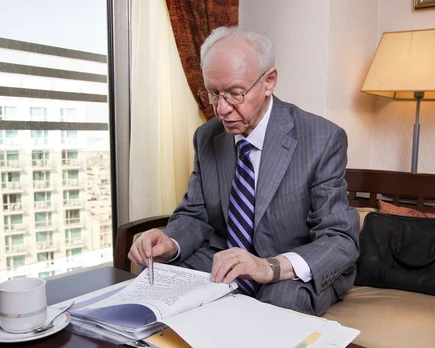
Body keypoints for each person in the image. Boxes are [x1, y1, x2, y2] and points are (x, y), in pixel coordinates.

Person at [128, 26, 360, 316]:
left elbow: (340, 237)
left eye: (235, 94)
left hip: (288, 263)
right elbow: (194, 214)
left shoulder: (321, 138)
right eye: (213, 93)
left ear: (269, 81)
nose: (222, 109)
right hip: (225, 259)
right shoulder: (206, 137)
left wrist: (268, 267)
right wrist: (169, 242)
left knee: (281, 298)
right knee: (155, 275)